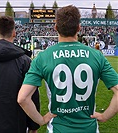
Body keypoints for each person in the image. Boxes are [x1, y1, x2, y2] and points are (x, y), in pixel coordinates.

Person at [17, 5, 118, 133]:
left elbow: (22, 98)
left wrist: (40, 120)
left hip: (58, 128)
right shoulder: (96, 55)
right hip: (89, 128)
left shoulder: (43, 57)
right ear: (79, 28)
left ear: (55, 28)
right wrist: (105, 116)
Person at [0, 16, 40, 133]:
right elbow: (32, 96)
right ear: (14, 33)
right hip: (15, 124)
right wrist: (33, 126)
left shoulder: (24, 60)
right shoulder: (25, 61)